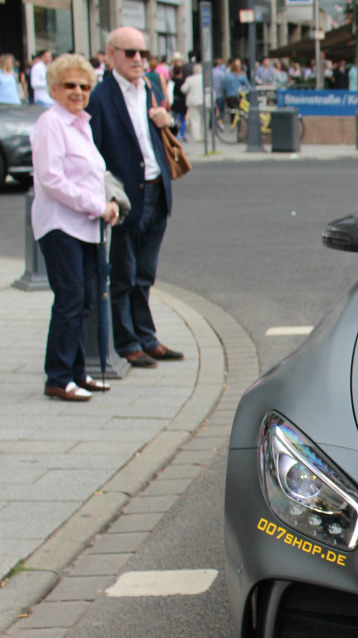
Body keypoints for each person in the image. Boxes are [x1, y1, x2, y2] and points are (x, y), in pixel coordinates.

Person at [86, 26, 183, 368]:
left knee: (146, 272)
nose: (139, 60)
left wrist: (166, 120)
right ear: (111, 55)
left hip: (157, 189)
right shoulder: (100, 97)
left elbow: (161, 137)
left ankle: (147, 337)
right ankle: (128, 342)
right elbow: (94, 154)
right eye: (130, 53)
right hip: (128, 195)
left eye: (143, 53)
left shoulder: (151, 88)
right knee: (124, 273)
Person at [31, 53, 121, 401]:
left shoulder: (79, 123)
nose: (78, 92)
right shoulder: (51, 123)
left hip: (84, 225)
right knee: (70, 299)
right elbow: (51, 179)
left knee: (84, 300)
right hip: (60, 225)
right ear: (54, 88)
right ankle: (57, 376)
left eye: (84, 86)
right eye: (70, 85)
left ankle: (76, 372)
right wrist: (97, 205)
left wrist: (104, 206)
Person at [181, 62, 204, 142]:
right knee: (204, 119)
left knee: (195, 120)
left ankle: (197, 137)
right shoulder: (204, 78)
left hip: (193, 101)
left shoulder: (190, 79)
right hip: (203, 100)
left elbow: (183, 89)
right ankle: (203, 135)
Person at [169, 53, 188, 140]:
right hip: (182, 100)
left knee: (175, 118)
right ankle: (183, 134)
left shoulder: (172, 81)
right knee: (182, 118)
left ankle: (176, 135)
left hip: (175, 100)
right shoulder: (183, 80)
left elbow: (169, 91)